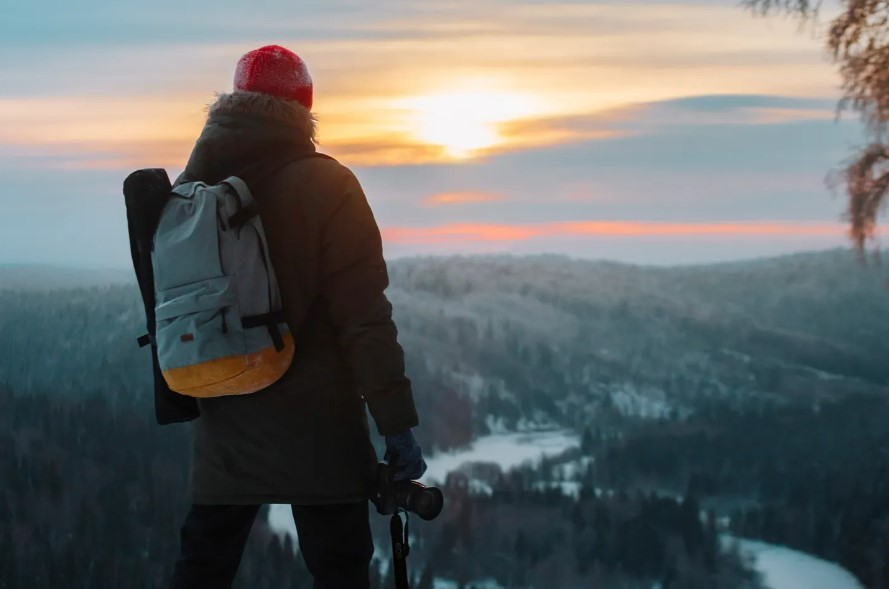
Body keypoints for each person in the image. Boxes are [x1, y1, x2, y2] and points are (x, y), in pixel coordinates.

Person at [167, 45, 427, 589]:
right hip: (320, 430)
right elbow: (365, 320)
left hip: (224, 420)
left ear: (235, 103)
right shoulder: (330, 186)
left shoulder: (188, 192)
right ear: (304, 106)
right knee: (340, 572)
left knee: (201, 569)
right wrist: (397, 426)